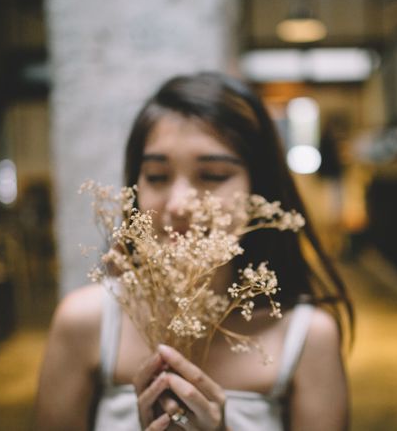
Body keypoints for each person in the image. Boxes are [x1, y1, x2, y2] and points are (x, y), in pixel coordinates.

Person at [34, 72, 353, 430]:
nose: (179, 204)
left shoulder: (307, 337)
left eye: (213, 175)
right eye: (156, 176)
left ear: (259, 190)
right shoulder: (84, 324)